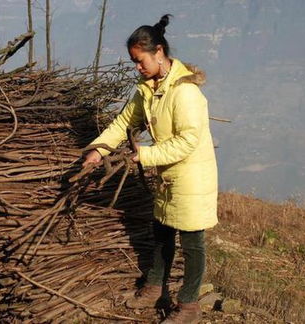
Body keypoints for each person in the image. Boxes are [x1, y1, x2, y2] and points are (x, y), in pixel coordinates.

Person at [82, 14, 218, 324]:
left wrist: (145, 155)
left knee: (193, 241)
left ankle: (188, 307)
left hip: (192, 175)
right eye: (133, 61)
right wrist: (98, 149)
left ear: (158, 52)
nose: (137, 67)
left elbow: (188, 142)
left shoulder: (185, 92)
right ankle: (155, 288)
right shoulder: (148, 88)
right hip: (168, 173)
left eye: (140, 60)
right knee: (162, 231)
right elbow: (123, 122)